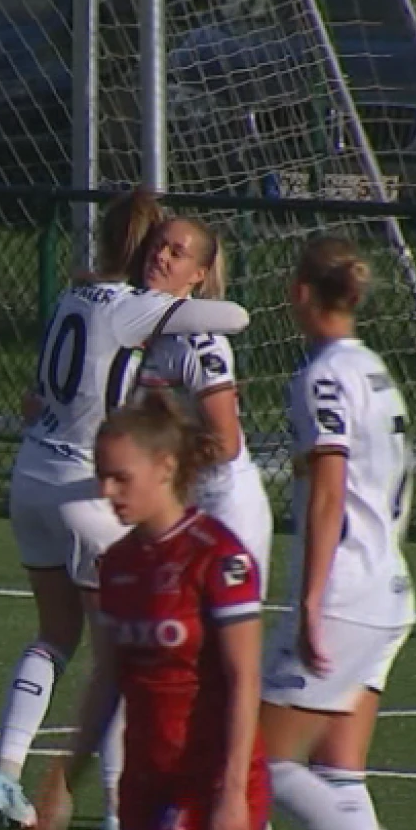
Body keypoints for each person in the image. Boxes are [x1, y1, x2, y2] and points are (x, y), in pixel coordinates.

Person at [0, 191, 252, 830]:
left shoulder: (72, 297)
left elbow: (34, 397)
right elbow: (237, 315)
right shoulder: (140, 310)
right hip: (86, 487)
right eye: (160, 246)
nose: (165, 256)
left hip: (30, 475)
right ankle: (114, 802)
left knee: (54, 632)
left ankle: (3, 770)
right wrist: (187, 301)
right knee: (120, 650)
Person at [25, 390, 269, 830]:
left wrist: (233, 795)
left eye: (120, 475)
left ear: (165, 468)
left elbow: (245, 681)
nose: (107, 489)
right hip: (146, 784)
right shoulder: (121, 564)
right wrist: (66, 776)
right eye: (101, 474)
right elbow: (109, 677)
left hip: (209, 783)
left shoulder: (219, 557)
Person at [258, 236, 416, 830]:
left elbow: (333, 488)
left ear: (304, 292)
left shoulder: (323, 377)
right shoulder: (376, 371)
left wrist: (310, 600)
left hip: (344, 592)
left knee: (262, 763)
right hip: (386, 588)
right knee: (338, 770)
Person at [137, 217, 274, 572]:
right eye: (158, 245)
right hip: (174, 503)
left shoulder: (200, 343)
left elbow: (225, 444)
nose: (160, 257)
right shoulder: (133, 326)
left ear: (198, 275)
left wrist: (158, 470)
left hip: (220, 505)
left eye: (176, 253)